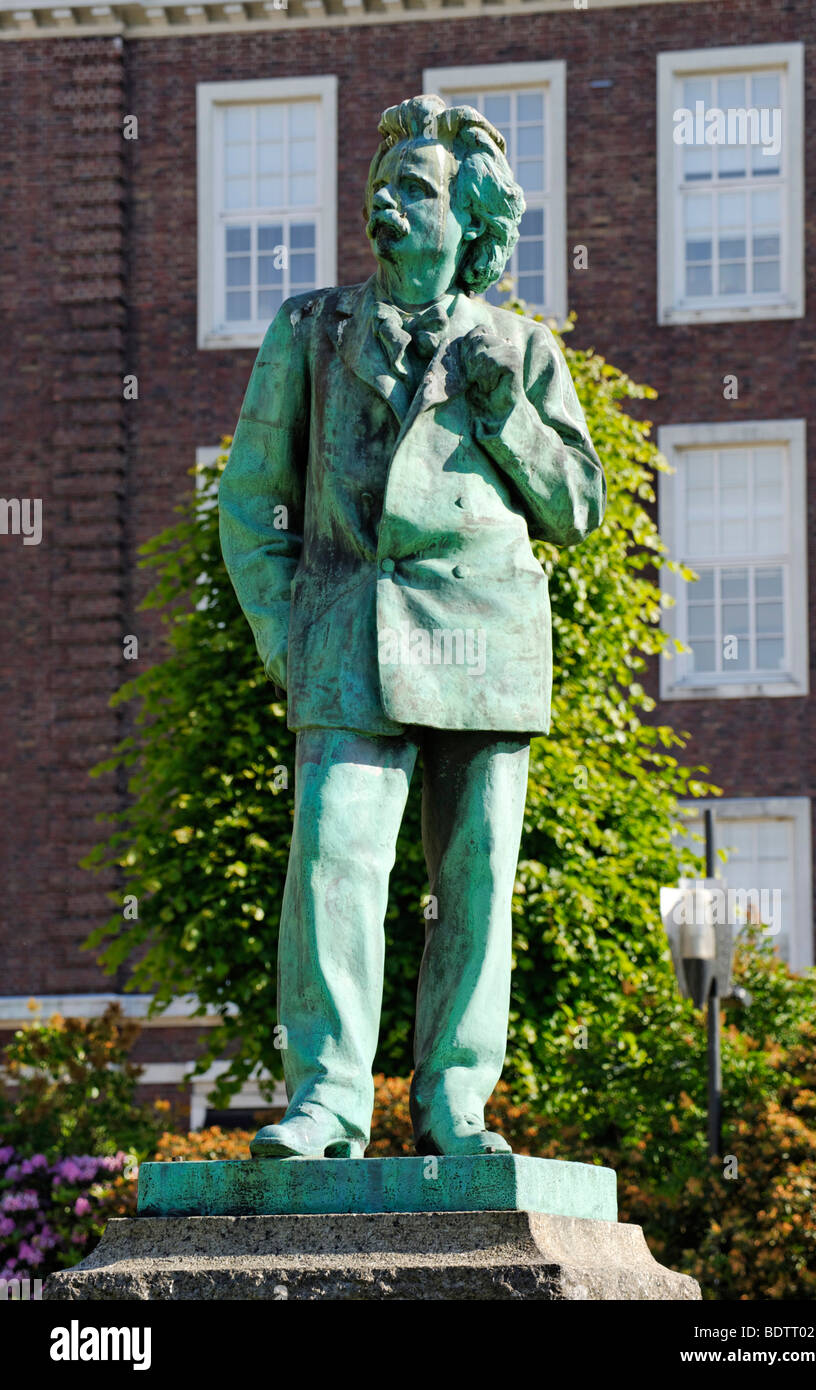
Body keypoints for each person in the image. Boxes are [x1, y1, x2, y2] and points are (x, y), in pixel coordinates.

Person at [219, 94, 606, 1159]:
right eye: (379, 186)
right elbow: (251, 501)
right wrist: (280, 630)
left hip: (486, 640)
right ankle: (330, 1099)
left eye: (416, 190)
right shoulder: (310, 330)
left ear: (470, 224)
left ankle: (454, 1103)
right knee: (333, 853)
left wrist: (505, 412)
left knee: (475, 874)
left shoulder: (520, 346)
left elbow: (577, 505)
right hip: (346, 633)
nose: (385, 205)